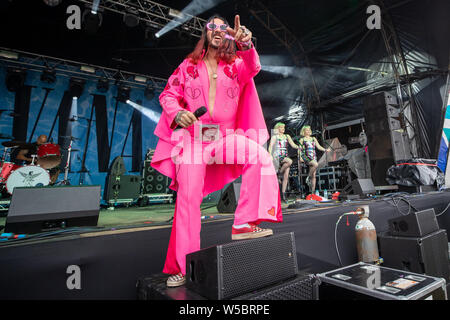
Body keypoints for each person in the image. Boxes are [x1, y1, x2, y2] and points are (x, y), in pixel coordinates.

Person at [151, 14, 282, 287]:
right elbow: (167, 95)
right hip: (194, 142)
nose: (219, 30)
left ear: (229, 35)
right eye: (213, 26)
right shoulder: (189, 65)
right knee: (187, 201)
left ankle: (244, 224)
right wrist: (179, 113)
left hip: (225, 138)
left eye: (224, 28)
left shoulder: (236, 65)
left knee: (260, 156)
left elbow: (254, 67)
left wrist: (246, 43)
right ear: (206, 33)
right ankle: (184, 266)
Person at [268, 123, 299, 203]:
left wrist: (299, 146)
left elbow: (293, 145)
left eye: (284, 127)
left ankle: (283, 195)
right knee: (290, 161)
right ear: (277, 128)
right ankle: (279, 173)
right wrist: (270, 155)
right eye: (281, 127)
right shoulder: (275, 137)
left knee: (286, 176)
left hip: (284, 156)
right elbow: (270, 146)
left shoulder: (287, 136)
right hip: (277, 157)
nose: (283, 129)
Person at [298, 126, 330, 194]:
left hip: (313, 156)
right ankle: (308, 177)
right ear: (304, 132)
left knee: (314, 175)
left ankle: (312, 193)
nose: (309, 131)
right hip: (306, 157)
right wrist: (300, 157)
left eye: (309, 129)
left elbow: (318, 147)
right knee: (316, 164)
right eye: (307, 130)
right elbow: (300, 149)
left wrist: (325, 150)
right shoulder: (302, 139)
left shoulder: (313, 138)